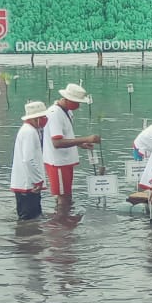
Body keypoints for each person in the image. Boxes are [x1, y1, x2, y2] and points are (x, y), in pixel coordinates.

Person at [42, 83, 101, 215]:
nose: (78, 106)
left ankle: (65, 219)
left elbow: (66, 136)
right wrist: (86, 139)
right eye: (76, 102)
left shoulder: (67, 111)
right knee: (63, 195)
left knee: (66, 193)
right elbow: (57, 142)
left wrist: (81, 144)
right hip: (58, 162)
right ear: (67, 99)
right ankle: (62, 223)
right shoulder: (54, 113)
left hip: (65, 160)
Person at [10, 100, 47, 220]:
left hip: (26, 182)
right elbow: (28, 159)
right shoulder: (29, 132)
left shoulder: (30, 130)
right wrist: (37, 180)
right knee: (29, 217)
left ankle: (28, 237)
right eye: (42, 117)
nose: (45, 119)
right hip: (28, 184)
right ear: (35, 118)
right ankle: (28, 238)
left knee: (30, 216)